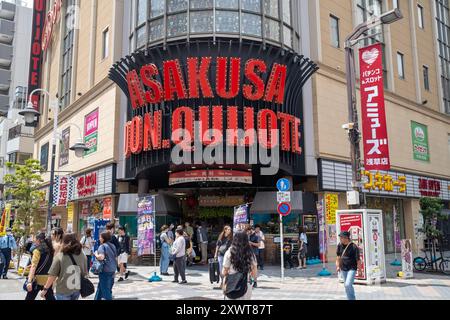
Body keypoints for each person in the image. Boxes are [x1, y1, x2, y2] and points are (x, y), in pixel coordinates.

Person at [41, 233, 88, 300]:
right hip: (76, 289)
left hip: (63, 289)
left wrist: (45, 289)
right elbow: (84, 273)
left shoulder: (60, 256)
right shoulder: (82, 255)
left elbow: (52, 275)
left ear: (64, 242)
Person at [222, 230, 258, 300]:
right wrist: (252, 279)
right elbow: (254, 273)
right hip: (245, 284)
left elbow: (224, 272)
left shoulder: (229, 252)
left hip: (231, 284)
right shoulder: (250, 253)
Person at [25, 233, 55, 300]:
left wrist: (29, 281)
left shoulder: (37, 250)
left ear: (38, 240)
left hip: (37, 280)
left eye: (35, 239)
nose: (34, 241)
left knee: (29, 298)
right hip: (48, 280)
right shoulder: (51, 250)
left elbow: (34, 266)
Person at [336, 231, 363, 301]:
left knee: (348, 284)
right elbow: (338, 256)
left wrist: (360, 270)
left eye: (341, 237)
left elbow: (358, 260)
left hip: (352, 268)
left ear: (346, 238)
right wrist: (338, 266)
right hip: (343, 268)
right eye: (340, 237)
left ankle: (352, 298)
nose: (340, 239)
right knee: (346, 286)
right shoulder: (339, 245)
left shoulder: (354, 247)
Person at [94, 231, 118, 300]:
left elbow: (101, 257)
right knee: (100, 288)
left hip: (105, 270)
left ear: (103, 238)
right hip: (112, 269)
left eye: (100, 237)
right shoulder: (113, 246)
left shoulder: (102, 246)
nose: (99, 239)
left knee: (105, 291)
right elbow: (116, 258)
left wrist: (96, 254)